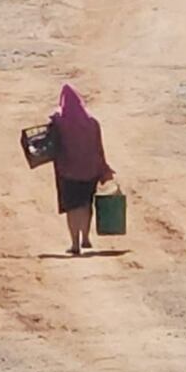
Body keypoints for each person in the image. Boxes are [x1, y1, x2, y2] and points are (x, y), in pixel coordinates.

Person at [47, 84, 113, 256]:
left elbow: (49, 138)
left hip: (67, 170)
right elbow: (98, 147)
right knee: (86, 204)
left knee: (72, 207)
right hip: (89, 169)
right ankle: (86, 237)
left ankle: (75, 243)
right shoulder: (92, 122)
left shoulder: (59, 121)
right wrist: (103, 167)